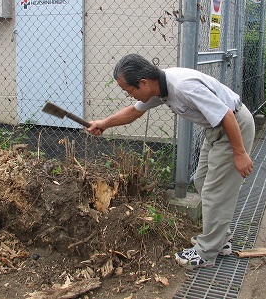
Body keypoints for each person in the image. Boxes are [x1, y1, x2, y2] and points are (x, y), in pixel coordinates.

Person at [86, 54, 255, 269]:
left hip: (233, 127)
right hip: (216, 130)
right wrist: (104, 123)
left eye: (130, 90)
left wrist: (239, 153)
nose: (130, 96)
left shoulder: (183, 87)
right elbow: (133, 112)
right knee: (202, 180)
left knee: (215, 190)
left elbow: (227, 115)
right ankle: (219, 237)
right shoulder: (159, 88)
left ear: (143, 83)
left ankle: (207, 252)